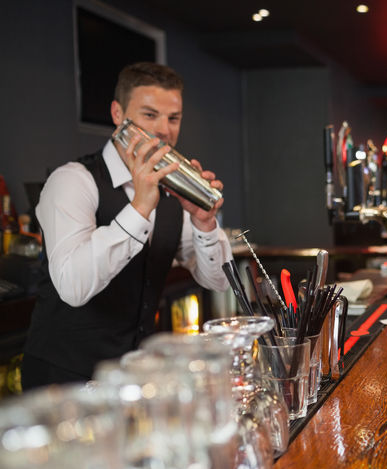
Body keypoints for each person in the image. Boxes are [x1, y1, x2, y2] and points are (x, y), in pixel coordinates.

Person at [21, 62, 232, 389]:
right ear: (118, 114)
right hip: (64, 381)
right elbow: (72, 286)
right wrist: (140, 207)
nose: (164, 130)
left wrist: (204, 223)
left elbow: (218, 280)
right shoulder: (72, 181)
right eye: (150, 115)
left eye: (173, 118)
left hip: (133, 379)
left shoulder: (173, 190)